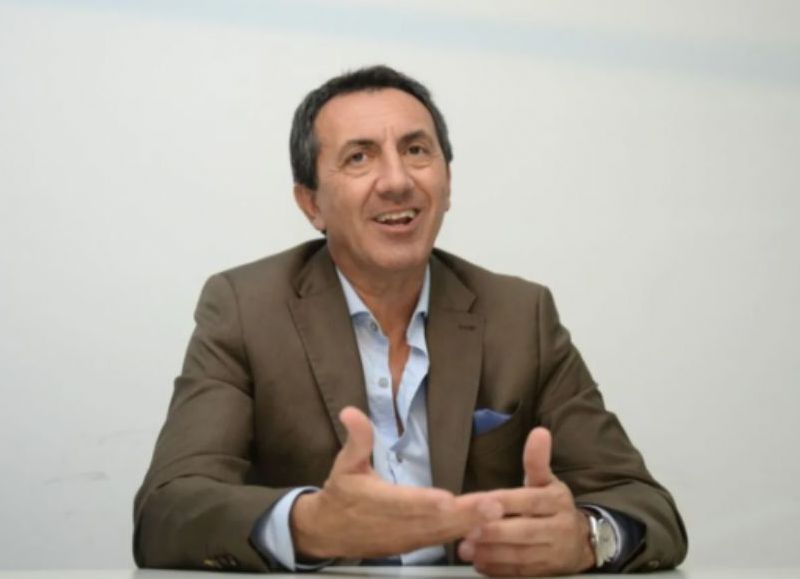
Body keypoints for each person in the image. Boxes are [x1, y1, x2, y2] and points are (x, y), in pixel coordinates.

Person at [133, 65, 687, 576]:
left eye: (417, 150)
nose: (397, 180)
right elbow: (167, 510)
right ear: (311, 204)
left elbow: (647, 506)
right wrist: (309, 525)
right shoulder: (244, 308)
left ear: (447, 182)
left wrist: (587, 539)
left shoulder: (520, 316)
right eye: (359, 157)